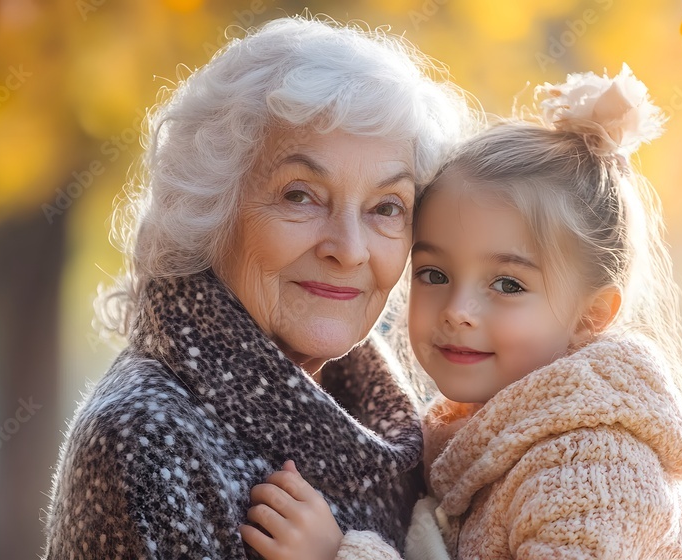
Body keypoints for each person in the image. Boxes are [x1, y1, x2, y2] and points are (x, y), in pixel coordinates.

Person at [242, 65, 682, 560]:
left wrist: (335, 555)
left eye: (508, 284)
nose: (458, 311)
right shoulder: (463, 437)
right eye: (434, 274)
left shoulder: (596, 470)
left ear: (590, 316)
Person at [42, 16, 478, 559]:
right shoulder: (146, 438)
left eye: (386, 207)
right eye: (300, 195)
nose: (349, 248)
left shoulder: (409, 434)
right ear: (214, 208)